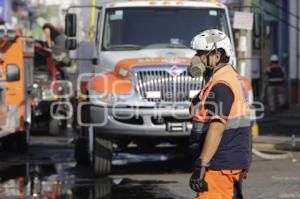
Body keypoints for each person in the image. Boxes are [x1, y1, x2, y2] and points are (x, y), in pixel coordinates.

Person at [188, 29, 251, 199]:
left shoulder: (221, 85)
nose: (196, 59)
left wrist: (202, 165)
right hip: (227, 161)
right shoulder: (227, 78)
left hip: (220, 165)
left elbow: (217, 127)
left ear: (216, 55)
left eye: (201, 54)